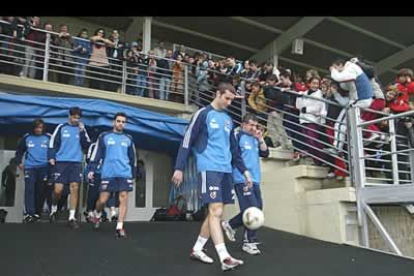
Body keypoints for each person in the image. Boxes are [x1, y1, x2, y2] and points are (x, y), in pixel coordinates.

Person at [171, 83, 252, 271]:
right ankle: (224, 257)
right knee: (215, 211)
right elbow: (187, 141)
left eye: (232, 99)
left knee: (215, 213)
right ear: (217, 94)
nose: (229, 102)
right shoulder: (202, 114)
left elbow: (234, 150)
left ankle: (197, 248)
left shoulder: (228, 120)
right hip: (208, 167)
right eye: (227, 98)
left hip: (225, 170)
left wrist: (244, 170)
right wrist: (179, 167)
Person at [221, 114, 269, 255]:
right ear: (243, 124)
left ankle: (230, 224)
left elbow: (265, 154)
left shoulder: (255, 137)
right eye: (251, 125)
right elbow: (234, 157)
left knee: (257, 209)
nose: (254, 128)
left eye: (256, 125)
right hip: (241, 179)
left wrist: (260, 139)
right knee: (252, 210)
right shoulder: (237, 135)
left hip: (255, 179)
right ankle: (249, 242)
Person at [89, 112, 137, 238]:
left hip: (124, 173)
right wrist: (91, 169)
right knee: (103, 200)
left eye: (123, 122)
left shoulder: (128, 138)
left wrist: (133, 173)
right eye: (118, 121)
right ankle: (97, 213)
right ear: (113, 122)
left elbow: (133, 158)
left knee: (123, 197)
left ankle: (119, 227)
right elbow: (97, 154)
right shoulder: (104, 136)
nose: (121, 123)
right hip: (108, 173)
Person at [48, 107, 91, 229]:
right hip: (61, 162)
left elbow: (87, 144)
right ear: (69, 116)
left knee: (75, 188)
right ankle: (54, 209)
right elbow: (53, 143)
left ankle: (72, 217)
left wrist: (82, 131)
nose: (76, 120)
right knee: (58, 190)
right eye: (74, 117)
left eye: (78, 118)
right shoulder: (61, 127)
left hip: (76, 162)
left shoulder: (81, 128)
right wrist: (51, 156)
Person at [15, 119, 51, 222]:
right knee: (29, 190)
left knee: (40, 191)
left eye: (40, 127)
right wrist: (19, 162)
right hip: (30, 167)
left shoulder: (48, 137)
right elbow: (19, 150)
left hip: (44, 167)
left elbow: (54, 151)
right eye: (37, 127)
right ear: (33, 128)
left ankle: (37, 213)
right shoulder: (27, 137)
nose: (38, 130)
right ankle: (29, 213)